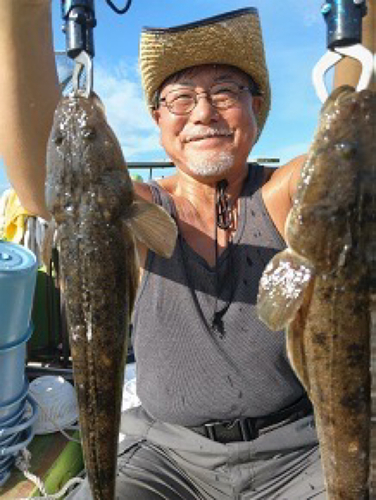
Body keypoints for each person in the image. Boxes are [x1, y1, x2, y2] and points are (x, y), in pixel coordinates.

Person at [0, 3, 373, 499]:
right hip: (165, 458)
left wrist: (363, 17)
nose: (203, 112)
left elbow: (353, 143)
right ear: (157, 119)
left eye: (225, 91)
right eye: (181, 98)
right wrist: (19, 13)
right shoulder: (132, 208)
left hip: (299, 452)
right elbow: (44, 192)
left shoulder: (288, 194)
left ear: (256, 109)